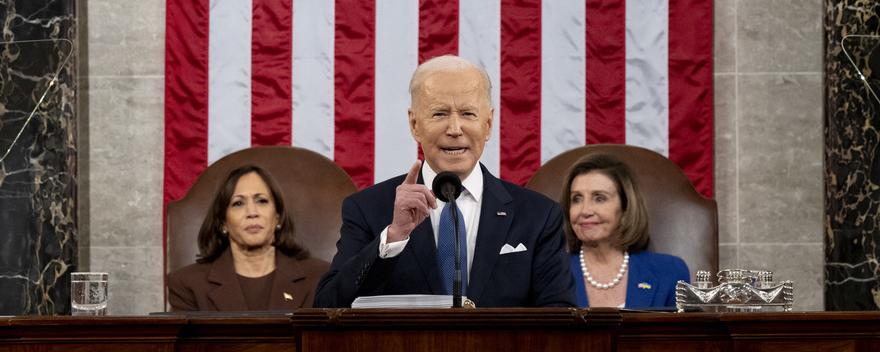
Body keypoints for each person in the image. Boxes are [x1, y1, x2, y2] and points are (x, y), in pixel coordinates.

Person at [314, 55, 574, 308]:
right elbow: (328, 306)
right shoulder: (368, 209)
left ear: (489, 123)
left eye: (468, 114)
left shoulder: (539, 215)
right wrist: (394, 237)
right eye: (439, 114)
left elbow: (560, 317)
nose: (454, 129)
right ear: (415, 124)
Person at [167, 165, 329, 311]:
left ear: (278, 217)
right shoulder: (187, 284)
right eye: (238, 203)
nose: (252, 212)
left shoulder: (320, 277)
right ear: (223, 222)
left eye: (262, 201)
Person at [561, 153, 689, 309]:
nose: (585, 210)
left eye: (600, 198)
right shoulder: (551, 274)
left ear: (625, 207)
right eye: (576, 199)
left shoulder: (670, 271)